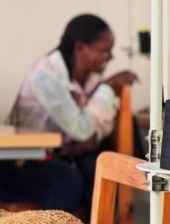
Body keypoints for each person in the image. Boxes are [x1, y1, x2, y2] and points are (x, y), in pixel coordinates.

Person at [4, 14, 135, 213]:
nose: (110, 57)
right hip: (22, 160)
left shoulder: (90, 77)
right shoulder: (45, 75)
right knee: (66, 181)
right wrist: (107, 89)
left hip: (61, 154)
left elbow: (104, 124)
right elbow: (81, 130)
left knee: (98, 171)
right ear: (81, 48)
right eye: (105, 50)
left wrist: (92, 137)